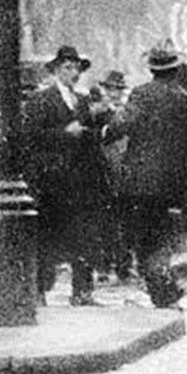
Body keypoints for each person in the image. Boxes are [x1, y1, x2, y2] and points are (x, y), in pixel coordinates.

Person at [104, 39, 187, 308]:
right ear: (176, 69)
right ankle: (165, 287)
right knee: (161, 234)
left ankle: (162, 287)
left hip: (139, 180)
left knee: (143, 237)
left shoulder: (141, 94)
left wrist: (105, 131)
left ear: (152, 69)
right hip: (172, 180)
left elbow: (122, 124)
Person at [21, 45, 113, 306]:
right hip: (53, 180)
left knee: (84, 235)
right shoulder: (42, 100)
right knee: (48, 236)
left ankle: (83, 292)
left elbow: (90, 138)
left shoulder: (82, 101)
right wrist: (64, 133)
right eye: (67, 68)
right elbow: (31, 137)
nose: (73, 73)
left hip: (80, 180)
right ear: (56, 70)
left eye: (76, 69)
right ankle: (38, 292)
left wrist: (100, 120)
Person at [95, 70, 134, 282]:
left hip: (125, 171)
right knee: (105, 221)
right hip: (103, 171)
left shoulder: (127, 113)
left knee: (126, 221)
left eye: (118, 90)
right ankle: (103, 266)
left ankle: (124, 267)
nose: (115, 93)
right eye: (111, 89)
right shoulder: (100, 113)